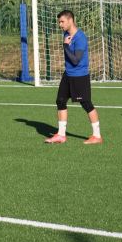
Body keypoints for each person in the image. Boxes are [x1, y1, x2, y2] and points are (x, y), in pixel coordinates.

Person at [45, 10, 102, 145]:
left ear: (70, 20)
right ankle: (61, 135)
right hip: (68, 74)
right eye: (59, 22)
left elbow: (76, 60)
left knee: (86, 104)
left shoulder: (80, 37)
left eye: (62, 21)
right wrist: (65, 45)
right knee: (60, 101)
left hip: (79, 76)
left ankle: (97, 136)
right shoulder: (66, 34)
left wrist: (65, 45)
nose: (60, 24)